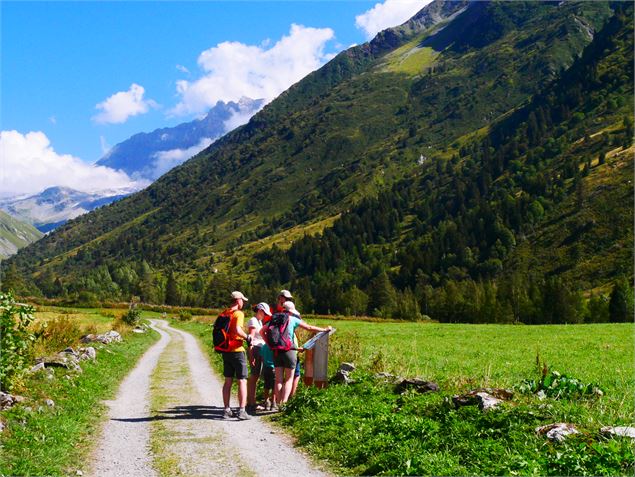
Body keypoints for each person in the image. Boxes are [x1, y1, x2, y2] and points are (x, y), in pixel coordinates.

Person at [262, 300, 332, 406]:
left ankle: (276, 403)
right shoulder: (292, 319)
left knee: (278, 380)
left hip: (276, 351)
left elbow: (261, 331)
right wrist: (325, 329)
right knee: (289, 379)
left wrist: (269, 344)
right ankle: (283, 403)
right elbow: (309, 327)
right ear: (291, 311)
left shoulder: (274, 319)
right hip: (289, 351)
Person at [221, 291, 251, 420]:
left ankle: (227, 410)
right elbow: (238, 330)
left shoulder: (225, 313)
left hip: (225, 350)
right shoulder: (238, 313)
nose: (243, 303)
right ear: (238, 300)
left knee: (228, 381)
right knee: (242, 380)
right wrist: (247, 337)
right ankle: (242, 411)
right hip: (237, 350)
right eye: (242, 300)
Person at [246, 302, 272, 415]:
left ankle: (252, 401)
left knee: (256, 376)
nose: (265, 315)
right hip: (255, 349)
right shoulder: (253, 321)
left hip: (260, 350)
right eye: (264, 313)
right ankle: (250, 402)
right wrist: (251, 355)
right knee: (254, 376)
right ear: (260, 310)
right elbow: (250, 338)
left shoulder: (259, 322)